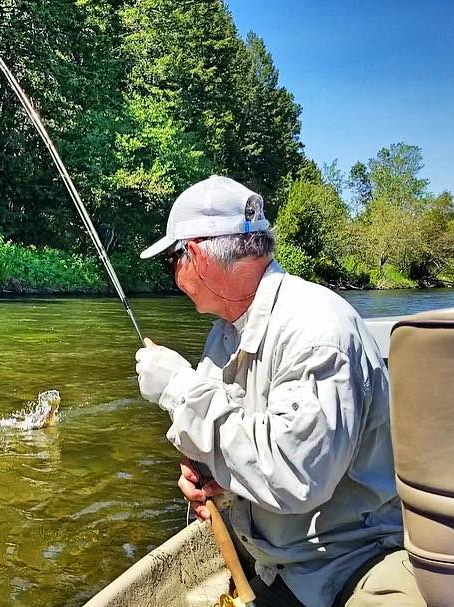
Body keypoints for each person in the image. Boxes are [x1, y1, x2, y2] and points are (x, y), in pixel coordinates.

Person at [134, 175, 424, 607]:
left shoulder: (318, 331)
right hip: (276, 557)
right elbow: (237, 433)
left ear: (194, 255)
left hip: (346, 565)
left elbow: (296, 476)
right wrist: (214, 478)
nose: (173, 275)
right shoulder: (225, 333)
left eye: (172, 260)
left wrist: (178, 389)